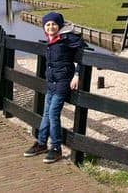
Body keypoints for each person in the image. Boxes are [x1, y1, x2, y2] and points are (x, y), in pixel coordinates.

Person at [24, 12, 83, 163]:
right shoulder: (50, 39)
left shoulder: (67, 38)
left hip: (62, 83)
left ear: (60, 26)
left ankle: (56, 147)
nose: (51, 27)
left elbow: (85, 53)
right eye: (48, 24)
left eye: (54, 24)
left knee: (52, 114)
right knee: (46, 113)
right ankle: (42, 143)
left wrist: (77, 75)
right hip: (51, 82)